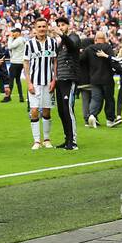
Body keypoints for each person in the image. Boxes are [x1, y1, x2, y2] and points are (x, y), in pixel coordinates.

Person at [23, 18, 56, 149]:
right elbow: (26, 63)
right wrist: (29, 82)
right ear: (35, 29)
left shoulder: (52, 43)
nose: (42, 29)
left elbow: (55, 61)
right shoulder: (29, 44)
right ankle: (37, 140)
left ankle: (46, 139)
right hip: (35, 83)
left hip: (48, 82)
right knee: (35, 110)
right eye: (39, 27)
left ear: (47, 27)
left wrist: (54, 79)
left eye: (44, 26)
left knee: (47, 111)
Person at [51, 16, 82, 150]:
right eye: (59, 25)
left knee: (68, 110)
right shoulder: (60, 44)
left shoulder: (73, 37)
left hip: (69, 78)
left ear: (68, 26)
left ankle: (73, 141)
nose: (61, 27)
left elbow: (72, 46)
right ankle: (67, 138)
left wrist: (61, 34)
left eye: (63, 25)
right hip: (60, 79)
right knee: (61, 111)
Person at [6, 26, 28, 102]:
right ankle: (21, 97)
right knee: (18, 80)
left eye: (14, 32)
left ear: (18, 33)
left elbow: (10, 47)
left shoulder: (18, 40)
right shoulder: (23, 40)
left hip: (15, 62)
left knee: (11, 80)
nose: (13, 34)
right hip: (20, 62)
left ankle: (8, 96)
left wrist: (10, 38)